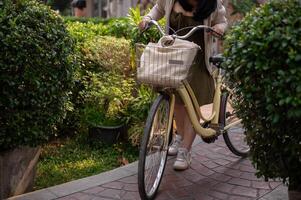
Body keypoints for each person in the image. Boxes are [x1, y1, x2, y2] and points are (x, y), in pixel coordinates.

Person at [138, 0, 227, 170]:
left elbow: (222, 21)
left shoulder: (212, 4)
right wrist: (147, 19)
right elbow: (157, 10)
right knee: (177, 100)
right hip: (175, 57)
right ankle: (179, 136)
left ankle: (185, 150)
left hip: (198, 59)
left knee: (192, 106)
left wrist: (220, 29)